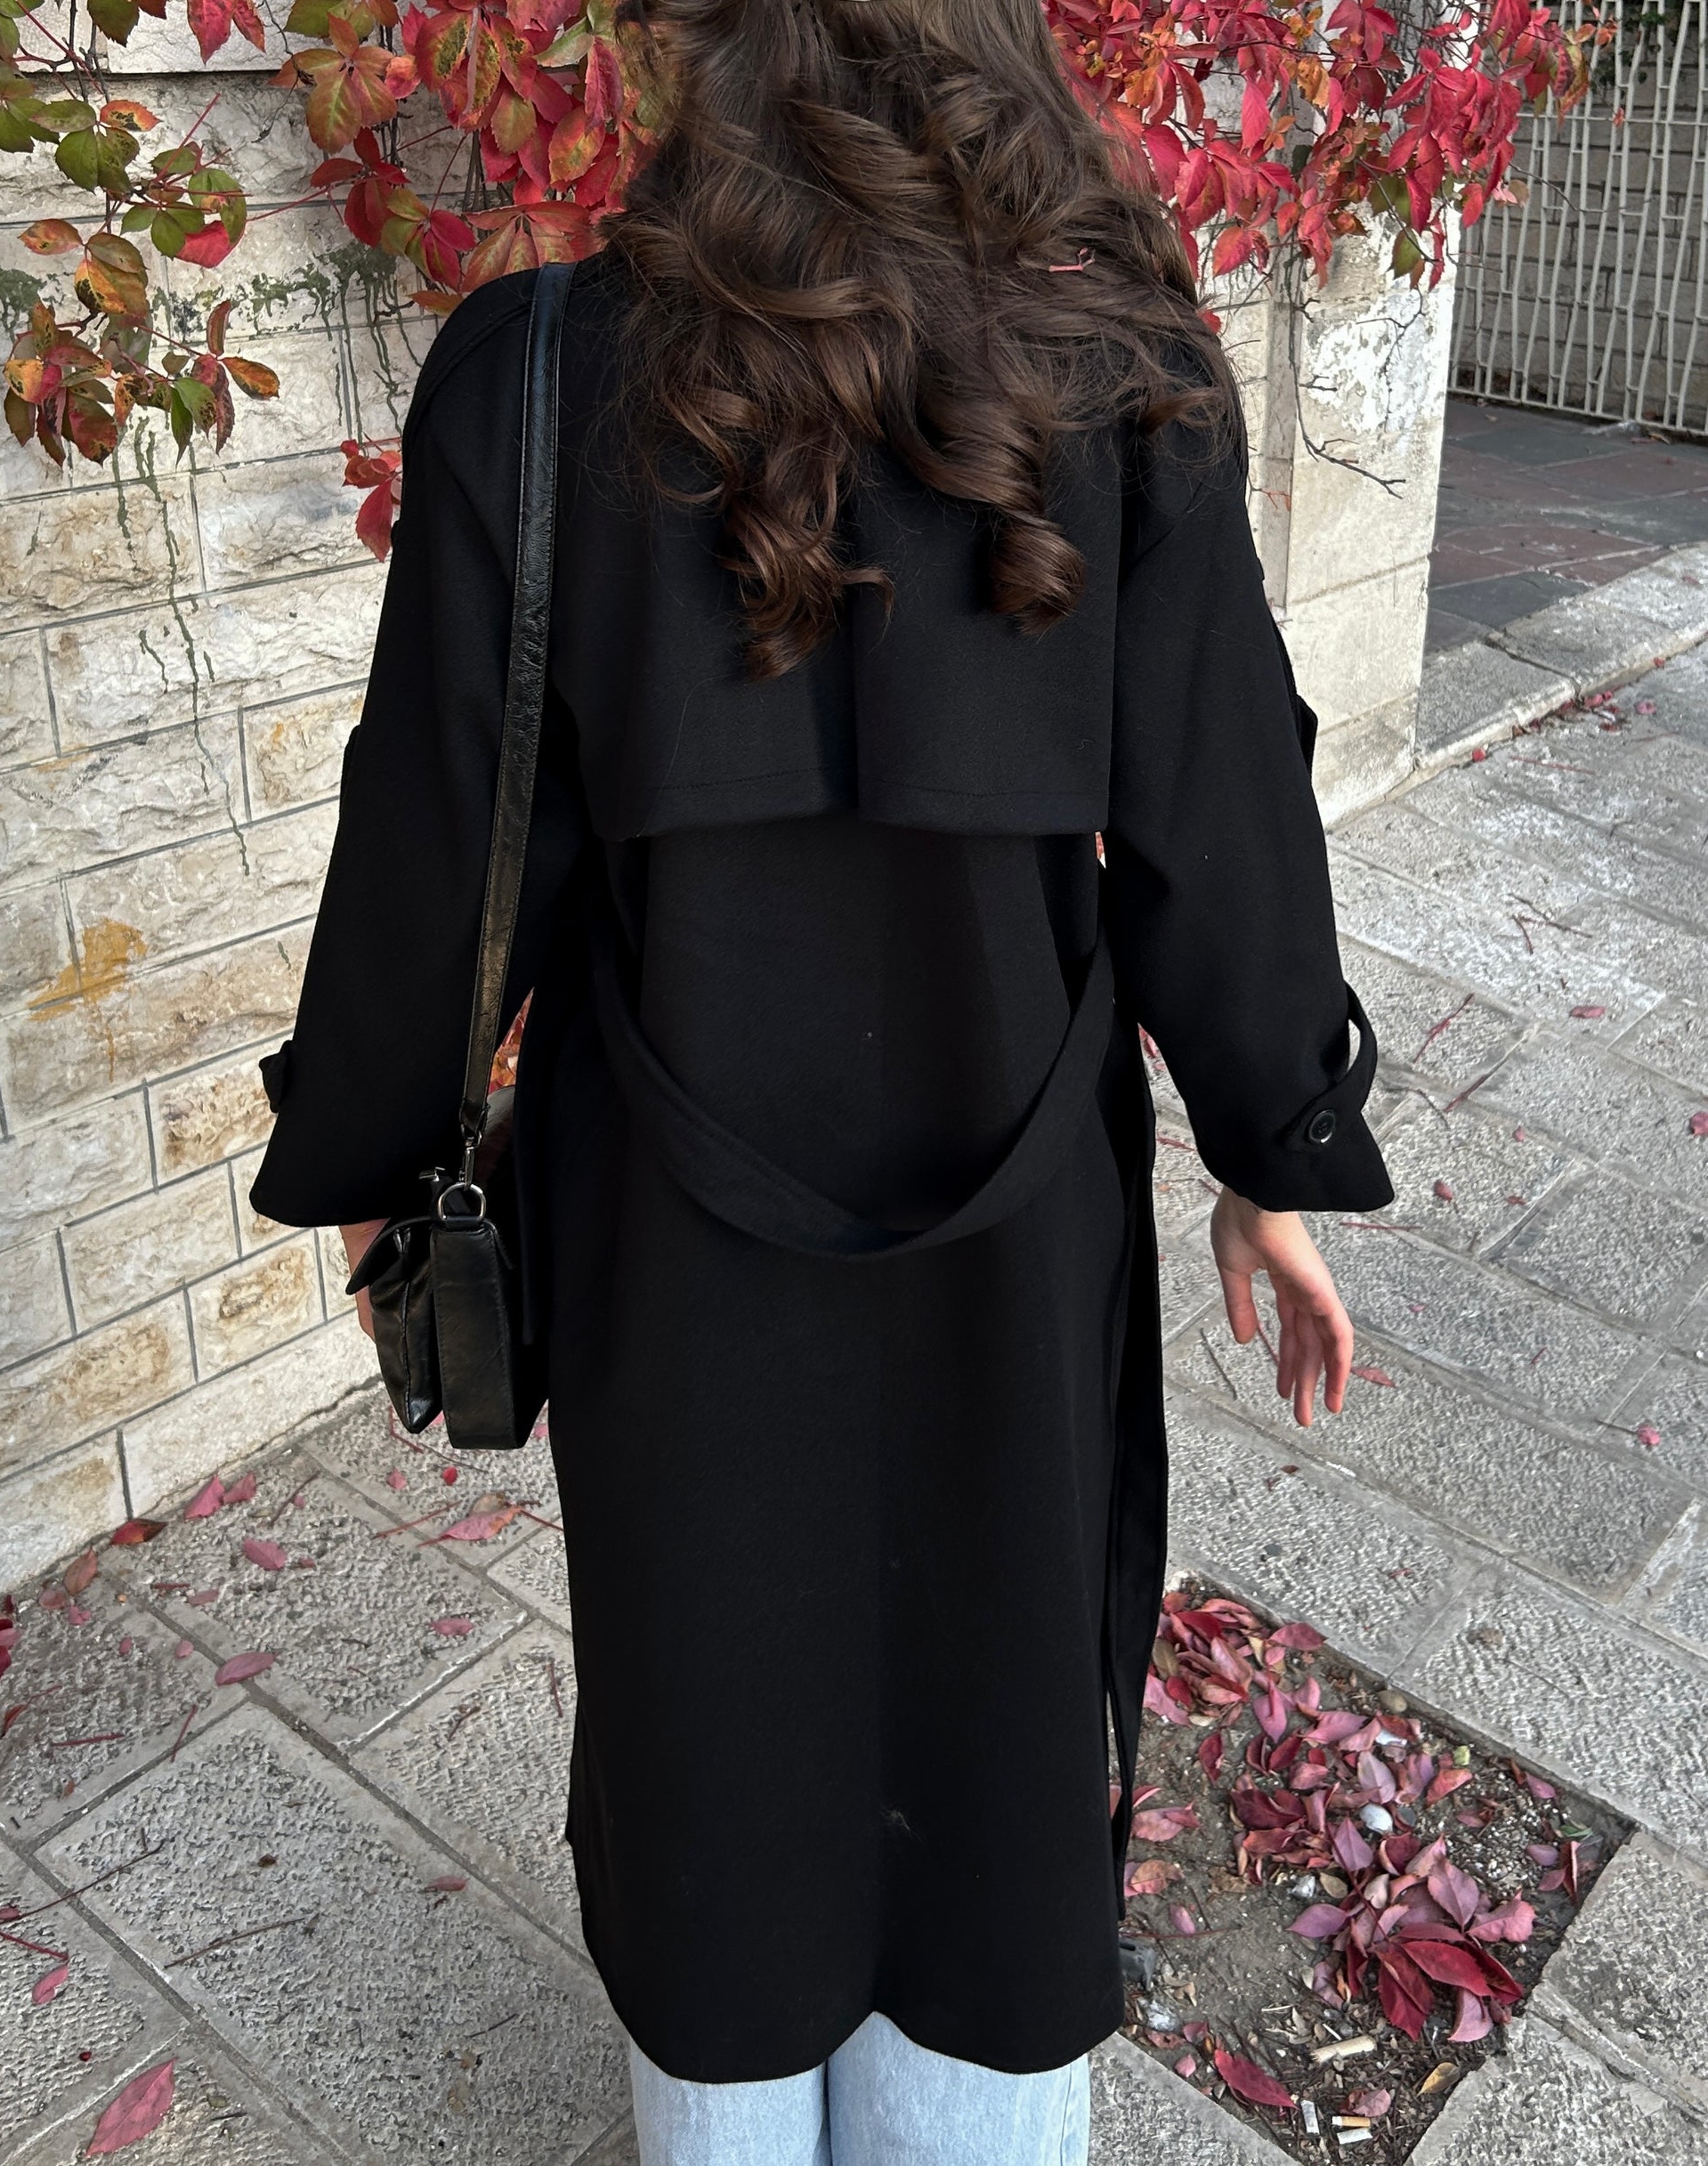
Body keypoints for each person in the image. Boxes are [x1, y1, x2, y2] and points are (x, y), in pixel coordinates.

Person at [251, 0, 1396, 2157]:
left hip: (672, 1207)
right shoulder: (1118, 362)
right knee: (1000, 1670)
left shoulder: (542, 373)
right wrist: (1273, 1140)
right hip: (1013, 1194)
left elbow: (434, 833)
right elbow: (1224, 805)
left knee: (708, 1679)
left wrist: (375, 1146)